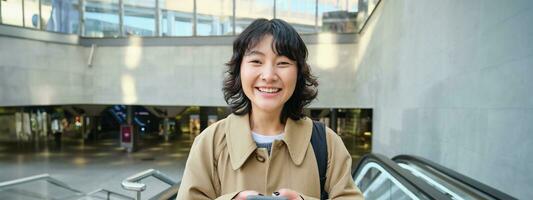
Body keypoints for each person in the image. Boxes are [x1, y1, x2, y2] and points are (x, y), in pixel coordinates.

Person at [177, 18, 363, 200]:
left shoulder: (327, 142)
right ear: (239, 69)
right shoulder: (210, 142)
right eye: (256, 61)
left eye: (283, 63)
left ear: (298, 73)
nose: (269, 76)